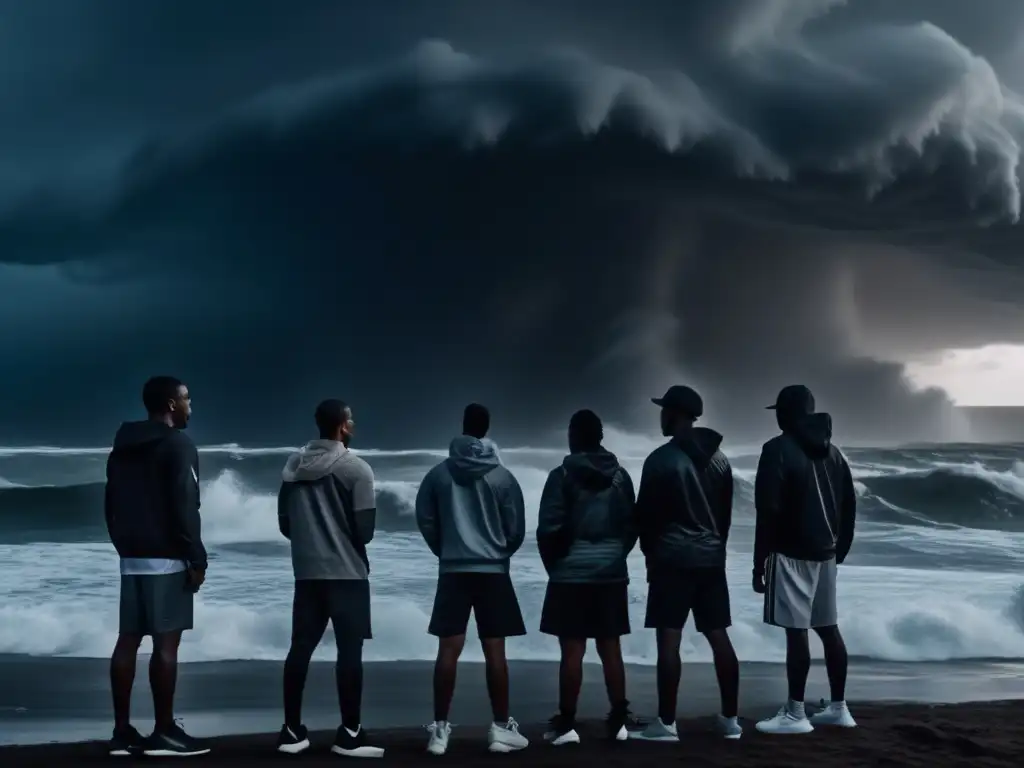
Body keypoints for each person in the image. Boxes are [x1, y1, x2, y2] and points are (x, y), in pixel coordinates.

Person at [415, 403, 530, 756]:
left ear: (463, 428)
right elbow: (517, 530)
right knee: (495, 650)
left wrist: (447, 550)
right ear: (488, 429)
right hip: (493, 571)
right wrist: (497, 552)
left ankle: (439, 731)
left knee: (448, 650)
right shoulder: (502, 477)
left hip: (453, 571)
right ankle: (499, 728)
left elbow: (427, 520)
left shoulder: (438, 475)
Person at [104, 375, 209, 757]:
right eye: (186, 399)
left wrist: (123, 546)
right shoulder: (179, 445)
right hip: (166, 557)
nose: (189, 407)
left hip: (131, 557)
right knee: (166, 644)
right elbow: (186, 505)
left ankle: (121, 733)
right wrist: (196, 557)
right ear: (170, 405)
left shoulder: (122, 446)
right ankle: (164, 731)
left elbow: (110, 500)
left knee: (128, 639)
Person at [633, 385, 742, 742]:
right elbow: (725, 516)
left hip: (672, 561)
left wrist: (650, 554)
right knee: (719, 637)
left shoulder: (660, 460)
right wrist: (716, 548)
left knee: (669, 640)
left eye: (664, 410)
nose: (660, 416)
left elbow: (646, 517)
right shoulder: (721, 459)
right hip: (711, 559)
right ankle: (730, 721)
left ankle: (666, 724)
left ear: (676, 414)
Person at [275, 399, 384, 757]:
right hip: (347, 574)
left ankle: (291, 731)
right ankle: (349, 734)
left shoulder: (293, 466)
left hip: (306, 573)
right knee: (349, 652)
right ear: (343, 426)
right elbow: (365, 531)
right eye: (351, 419)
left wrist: (313, 540)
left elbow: (285, 525)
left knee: (300, 649)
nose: (353, 423)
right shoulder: (357, 469)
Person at [536, 409, 646, 746]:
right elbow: (631, 526)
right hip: (610, 574)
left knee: (572, 651)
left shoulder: (561, 476)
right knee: (610, 647)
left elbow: (548, 529)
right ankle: (619, 717)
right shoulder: (621, 477)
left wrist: (556, 567)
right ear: (600, 437)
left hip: (569, 575)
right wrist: (615, 556)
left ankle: (567, 722)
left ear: (574, 435)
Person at [752, 385, 858, 735]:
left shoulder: (776, 450)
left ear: (787, 413)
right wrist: (839, 550)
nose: (777, 418)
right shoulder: (835, 452)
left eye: (779, 411)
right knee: (828, 629)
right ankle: (839, 708)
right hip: (826, 554)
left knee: (796, 631)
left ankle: (795, 713)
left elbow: (766, 511)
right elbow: (849, 506)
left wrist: (759, 563)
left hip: (791, 553)